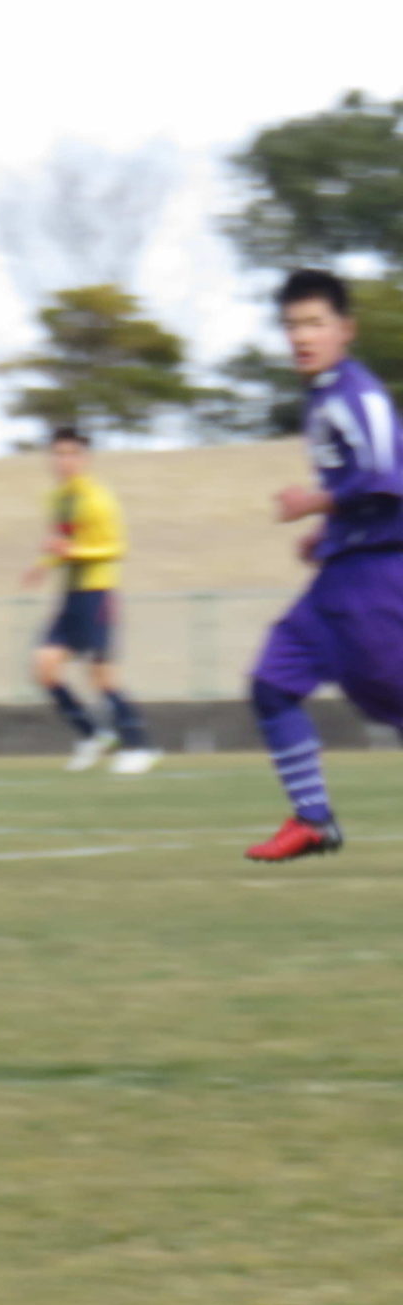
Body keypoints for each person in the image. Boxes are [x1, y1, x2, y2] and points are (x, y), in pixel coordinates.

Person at [245, 269, 403, 862]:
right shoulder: (324, 396)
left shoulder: (357, 394)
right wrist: (328, 531)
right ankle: (313, 820)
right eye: (291, 325)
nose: (301, 336)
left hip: (377, 581)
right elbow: (363, 486)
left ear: (347, 330)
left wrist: (315, 503)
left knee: (390, 702)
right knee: (271, 683)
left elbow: (390, 480)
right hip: (340, 575)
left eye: (315, 323)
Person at [20, 427, 158, 774]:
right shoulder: (56, 498)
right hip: (70, 596)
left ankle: (141, 746)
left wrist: (74, 551)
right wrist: (42, 566)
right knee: (44, 667)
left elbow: (117, 548)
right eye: (58, 454)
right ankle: (93, 736)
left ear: (85, 458)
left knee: (102, 676)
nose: (64, 461)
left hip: (98, 593)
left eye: (71, 454)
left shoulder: (99, 498)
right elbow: (61, 542)